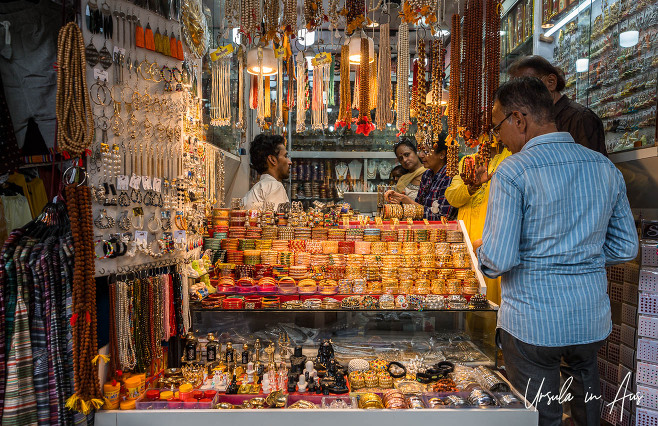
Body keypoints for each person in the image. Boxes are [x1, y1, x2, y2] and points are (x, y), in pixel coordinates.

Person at [475, 77, 637, 426]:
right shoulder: (603, 167)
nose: (497, 136)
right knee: (586, 406)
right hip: (590, 317)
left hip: (534, 323)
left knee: (540, 415)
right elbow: (626, 246)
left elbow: (499, 259)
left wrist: (480, 256)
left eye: (497, 126)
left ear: (519, 119)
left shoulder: (514, 171)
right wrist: (582, 254)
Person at [444, 144, 511, 305]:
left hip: (494, 239)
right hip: (467, 239)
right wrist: (472, 186)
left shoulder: (512, 158)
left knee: (494, 293)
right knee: (469, 291)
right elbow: (452, 196)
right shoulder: (470, 161)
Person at [509, 55, 607, 156]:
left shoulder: (580, 118)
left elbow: (592, 166)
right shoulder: (534, 120)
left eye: (527, 87)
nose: (520, 96)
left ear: (551, 82)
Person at [387, 133, 456, 221]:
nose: (421, 155)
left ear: (442, 155)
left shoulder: (450, 177)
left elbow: (442, 218)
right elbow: (419, 207)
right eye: (421, 151)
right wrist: (401, 201)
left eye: (426, 152)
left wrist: (410, 203)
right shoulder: (427, 175)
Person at [242, 134, 292, 210]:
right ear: (272, 160)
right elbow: (277, 220)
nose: (290, 162)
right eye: (285, 156)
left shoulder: (256, 189)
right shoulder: (274, 186)